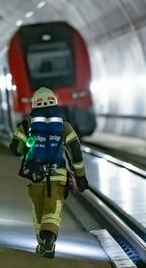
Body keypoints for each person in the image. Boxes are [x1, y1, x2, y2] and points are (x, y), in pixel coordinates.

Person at [9, 87, 88, 258]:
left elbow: (15, 149)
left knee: (39, 210)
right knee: (53, 209)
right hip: (57, 175)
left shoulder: (27, 125)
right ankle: (50, 238)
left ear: (34, 103)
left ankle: (41, 243)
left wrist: (28, 149)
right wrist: (80, 177)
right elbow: (76, 153)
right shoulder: (64, 126)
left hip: (35, 176)